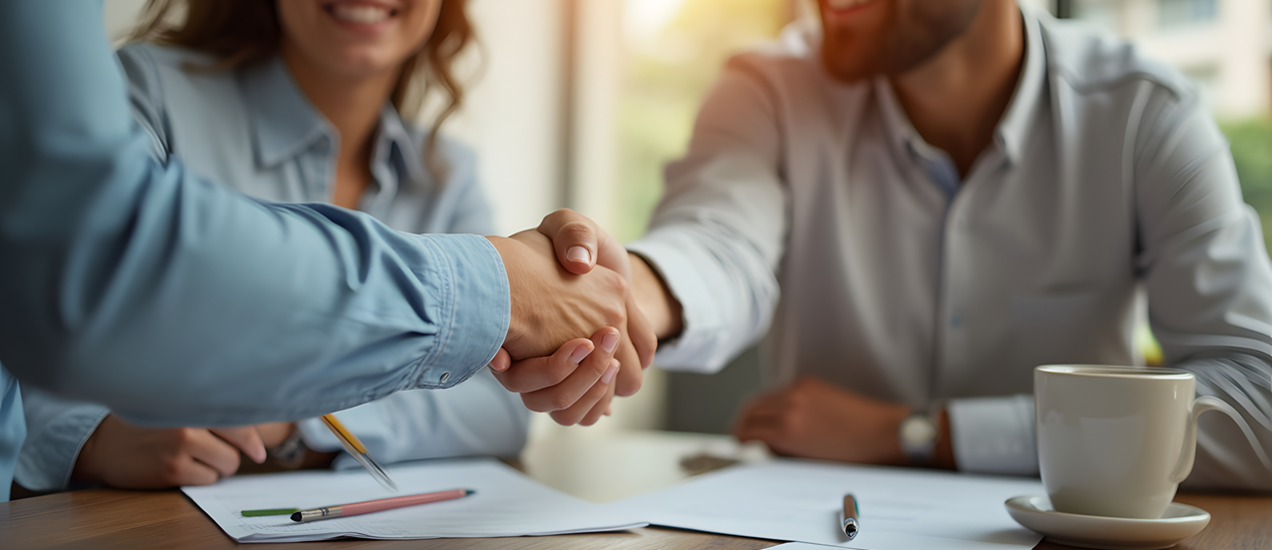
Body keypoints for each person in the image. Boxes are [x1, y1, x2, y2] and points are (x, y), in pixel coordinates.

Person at [533, 0, 1272, 490]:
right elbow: (717, 244)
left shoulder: (1145, 114)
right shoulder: (765, 88)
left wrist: (921, 435)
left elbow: (1259, 401)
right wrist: (622, 294)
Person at [0, 0, 652, 502]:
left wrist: (287, 428)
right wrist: (91, 439)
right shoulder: (146, 93)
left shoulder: (448, 172)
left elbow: (494, 408)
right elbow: (51, 310)